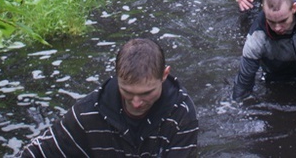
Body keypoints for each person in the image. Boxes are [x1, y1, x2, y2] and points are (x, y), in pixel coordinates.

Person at [22, 38, 199, 157]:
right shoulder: (87, 114)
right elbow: (34, 154)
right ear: (116, 77)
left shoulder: (181, 115)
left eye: (146, 93)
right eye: (128, 92)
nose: (136, 103)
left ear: (164, 75)